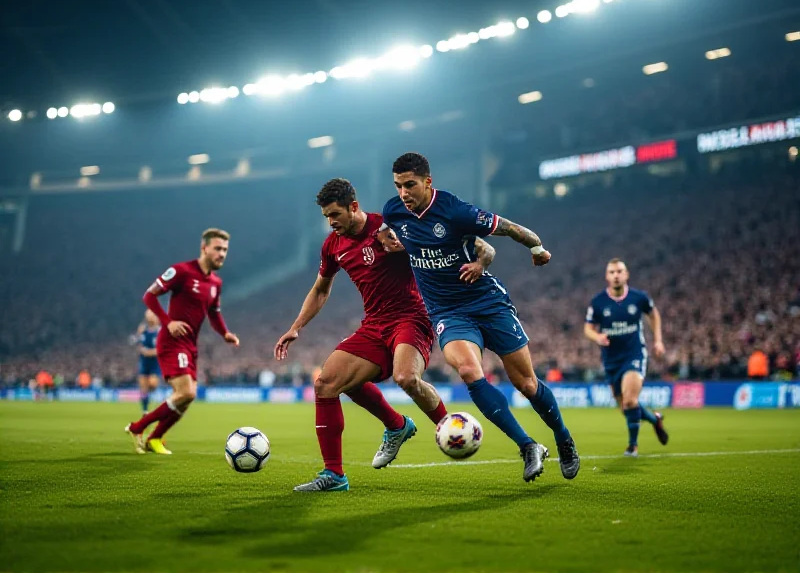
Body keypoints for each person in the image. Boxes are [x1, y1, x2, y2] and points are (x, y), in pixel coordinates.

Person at [275, 178, 493, 492]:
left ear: (353, 206)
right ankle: (340, 471)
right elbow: (321, 290)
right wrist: (296, 327)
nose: (331, 222)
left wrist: (408, 245)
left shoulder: (389, 225)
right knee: (326, 383)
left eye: (335, 214)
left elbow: (437, 246)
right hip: (375, 324)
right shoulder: (332, 246)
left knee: (406, 378)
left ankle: (452, 430)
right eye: (326, 217)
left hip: (412, 316)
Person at [379, 152, 580, 482]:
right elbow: (389, 231)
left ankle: (563, 437)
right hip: (448, 312)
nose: (403, 193)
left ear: (428, 182)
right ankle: (528, 446)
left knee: (527, 384)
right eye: (398, 186)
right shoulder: (395, 210)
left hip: (487, 303)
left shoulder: (456, 211)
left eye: (410, 185)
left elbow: (509, 231)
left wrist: (536, 249)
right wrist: (396, 244)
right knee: (470, 370)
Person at [125, 228, 240, 455]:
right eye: (218, 248)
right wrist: (167, 322)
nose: (222, 254)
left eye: (225, 250)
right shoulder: (181, 271)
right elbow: (149, 295)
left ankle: (154, 439)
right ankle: (138, 427)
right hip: (172, 341)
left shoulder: (216, 283)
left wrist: (225, 333)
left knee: (188, 398)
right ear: (204, 248)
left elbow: (214, 313)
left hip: (190, 344)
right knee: (185, 393)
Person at [584, 258, 669, 456]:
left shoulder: (639, 298)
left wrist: (658, 340)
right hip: (611, 359)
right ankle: (655, 420)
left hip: (634, 354)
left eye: (619, 271)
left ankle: (633, 446)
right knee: (625, 407)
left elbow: (654, 315)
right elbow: (587, 328)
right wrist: (597, 336)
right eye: (612, 272)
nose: (616, 275)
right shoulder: (598, 302)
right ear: (607, 276)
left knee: (630, 401)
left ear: (626, 274)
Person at [136, 309, 162, 413]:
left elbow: (161, 349)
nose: (150, 317)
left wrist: (150, 352)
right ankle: (145, 410)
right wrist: (138, 334)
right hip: (144, 361)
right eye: (148, 315)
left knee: (153, 384)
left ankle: (151, 393)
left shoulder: (160, 331)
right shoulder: (143, 330)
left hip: (155, 362)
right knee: (143, 387)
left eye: (152, 315)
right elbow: (138, 344)